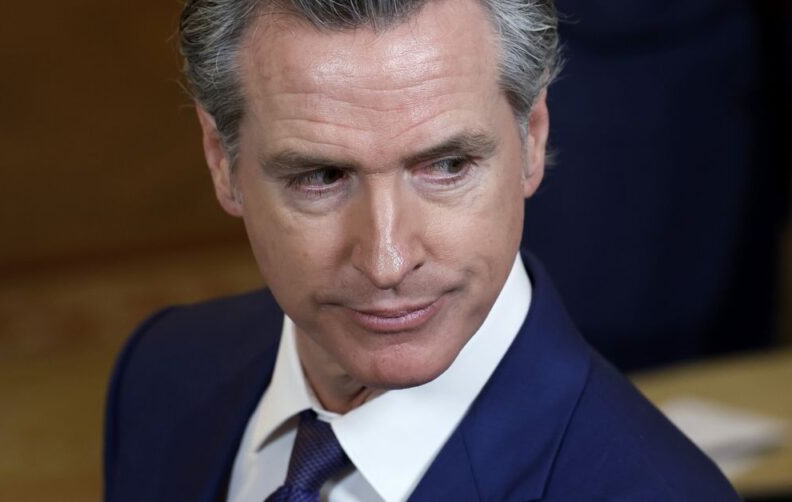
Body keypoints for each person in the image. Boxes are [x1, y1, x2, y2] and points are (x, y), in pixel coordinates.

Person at [104, 0, 739, 500]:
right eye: (321, 177)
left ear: (532, 141)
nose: (386, 263)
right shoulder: (159, 370)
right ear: (222, 162)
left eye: (447, 165)